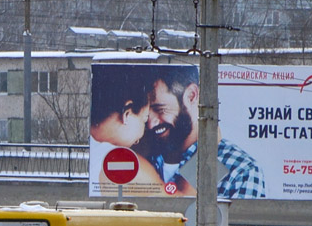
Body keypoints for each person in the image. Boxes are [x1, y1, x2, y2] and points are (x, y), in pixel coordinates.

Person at [142, 65, 266, 199]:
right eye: (145, 113)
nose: (150, 124)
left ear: (191, 95)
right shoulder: (138, 159)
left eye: (160, 109)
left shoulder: (240, 169)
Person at [89, 66, 183, 195]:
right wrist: (211, 147)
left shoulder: (92, 148)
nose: (145, 131)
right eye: (144, 120)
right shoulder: (122, 160)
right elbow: (178, 202)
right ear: (127, 114)